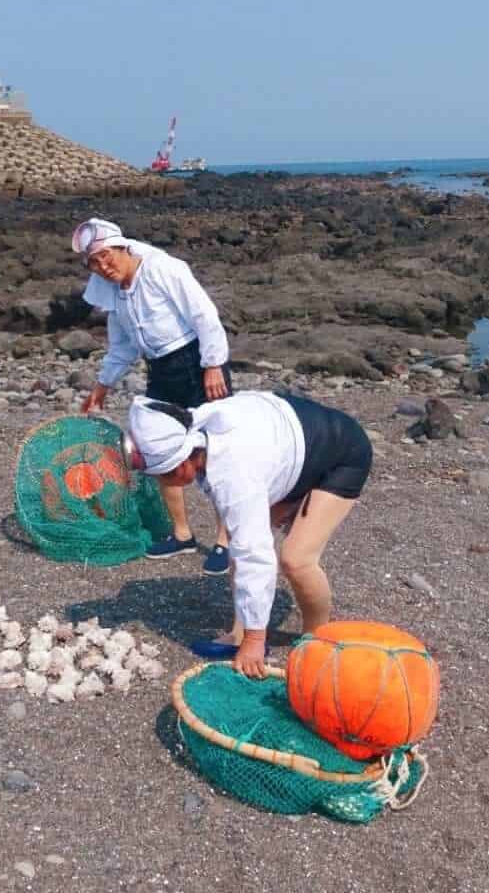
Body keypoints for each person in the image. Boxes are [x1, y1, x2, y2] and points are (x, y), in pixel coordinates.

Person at [122, 389, 373, 678]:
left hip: (342, 453)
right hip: (287, 441)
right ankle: (240, 634)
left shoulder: (233, 473)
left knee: (297, 558)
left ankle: (317, 641)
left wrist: (257, 642)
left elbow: (256, 554)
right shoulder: (197, 436)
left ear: (183, 462)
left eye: (165, 476)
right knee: (238, 545)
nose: (165, 483)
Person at [71, 217, 233, 574]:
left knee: (217, 450)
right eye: (94, 263)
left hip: (195, 361)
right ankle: (182, 533)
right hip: (159, 368)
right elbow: (123, 347)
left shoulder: (163, 269)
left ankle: (224, 540)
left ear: (122, 246)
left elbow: (204, 315)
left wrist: (213, 364)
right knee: (158, 448)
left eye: (106, 256)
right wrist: (102, 386)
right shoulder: (115, 292)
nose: (103, 266)